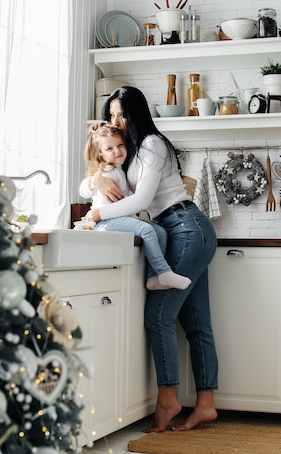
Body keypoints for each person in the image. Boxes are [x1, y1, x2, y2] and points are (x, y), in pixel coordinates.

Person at [85, 86, 218, 433]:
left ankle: (167, 399)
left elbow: (142, 198)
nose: (116, 121)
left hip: (188, 228)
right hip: (177, 231)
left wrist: (98, 215)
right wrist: (98, 178)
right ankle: (205, 406)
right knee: (195, 321)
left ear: (137, 113)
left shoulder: (153, 145)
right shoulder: (128, 151)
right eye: (111, 114)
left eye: (122, 114)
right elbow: (101, 180)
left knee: (158, 315)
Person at [79, 122, 191, 291]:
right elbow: (84, 190)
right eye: (109, 149)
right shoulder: (106, 171)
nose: (117, 151)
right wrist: (96, 181)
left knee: (160, 232)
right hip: (105, 222)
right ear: (100, 154)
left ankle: (153, 278)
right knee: (147, 230)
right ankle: (164, 272)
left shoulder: (119, 170)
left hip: (117, 219)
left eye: (120, 145)